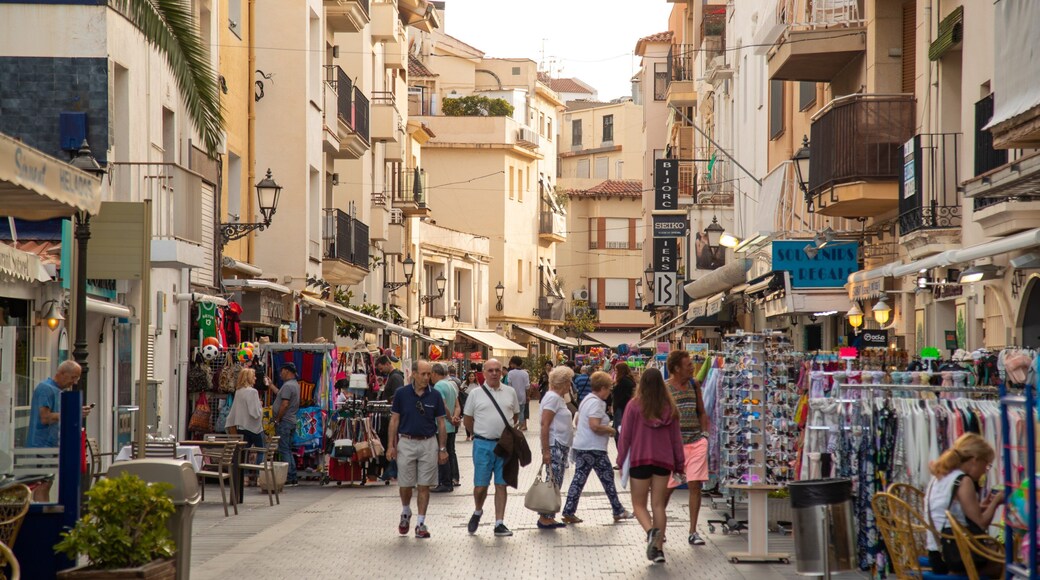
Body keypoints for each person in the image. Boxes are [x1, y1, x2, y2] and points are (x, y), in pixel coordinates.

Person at [617, 368, 685, 564]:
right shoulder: (670, 408)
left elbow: (625, 437)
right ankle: (658, 550)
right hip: (663, 462)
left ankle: (650, 532)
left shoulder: (634, 406)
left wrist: (621, 460)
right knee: (658, 506)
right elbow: (676, 441)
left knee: (638, 505)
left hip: (640, 461)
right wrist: (679, 465)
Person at [924, 433, 1004, 576]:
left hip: (936, 554)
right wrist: (996, 502)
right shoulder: (963, 481)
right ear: (975, 460)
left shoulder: (939, 476)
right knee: (1006, 566)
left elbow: (951, 512)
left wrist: (983, 506)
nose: (984, 472)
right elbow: (981, 524)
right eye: (986, 465)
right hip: (955, 558)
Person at [386, 360, 448, 539]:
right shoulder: (401, 394)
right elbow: (394, 420)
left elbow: (441, 423)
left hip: (429, 443)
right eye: (423, 374)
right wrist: (391, 446)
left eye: (429, 374)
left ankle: (421, 523)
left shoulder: (435, 395)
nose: (427, 378)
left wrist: (442, 448)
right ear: (413, 374)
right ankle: (406, 512)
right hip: (406, 442)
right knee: (405, 484)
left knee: (424, 485)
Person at [563, 371, 633, 524]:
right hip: (594, 448)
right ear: (602, 388)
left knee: (579, 479)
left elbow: (578, 422)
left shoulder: (587, 399)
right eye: (608, 389)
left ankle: (569, 510)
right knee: (607, 479)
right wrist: (611, 430)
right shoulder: (597, 402)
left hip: (582, 445)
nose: (609, 393)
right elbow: (594, 425)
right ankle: (618, 510)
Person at [462, 358, 520, 537]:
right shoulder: (475, 394)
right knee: (481, 486)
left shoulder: (510, 392)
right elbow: (467, 419)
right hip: (482, 444)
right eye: (490, 370)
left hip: (503, 445)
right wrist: (477, 434)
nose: (494, 373)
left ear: (501, 372)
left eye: (497, 370)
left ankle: (499, 522)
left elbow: (516, 416)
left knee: (501, 485)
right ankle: (478, 510)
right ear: (484, 373)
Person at [665, 349, 710, 546]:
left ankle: (693, 531)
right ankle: (659, 526)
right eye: (688, 365)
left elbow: (701, 411)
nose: (692, 368)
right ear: (676, 368)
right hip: (675, 447)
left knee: (695, 485)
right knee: (669, 487)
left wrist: (705, 435)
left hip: (696, 442)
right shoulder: (665, 389)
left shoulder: (694, 384)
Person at [27, 361, 89, 501]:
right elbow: (45, 417)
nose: (74, 382)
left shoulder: (59, 391)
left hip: (50, 445)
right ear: (61, 373)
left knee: (46, 484)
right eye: (73, 377)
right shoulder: (46, 389)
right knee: (41, 485)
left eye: (77, 378)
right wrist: (73, 412)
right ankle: (42, 519)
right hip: (41, 446)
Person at [537, 365, 574, 529]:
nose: (570, 385)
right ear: (563, 383)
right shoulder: (552, 398)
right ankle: (545, 516)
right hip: (554, 444)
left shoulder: (558, 398)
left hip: (560, 444)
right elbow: (545, 424)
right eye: (569, 382)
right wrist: (546, 451)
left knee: (556, 480)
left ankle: (549, 515)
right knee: (552, 480)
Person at [227, 368, 266, 484]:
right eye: (253, 376)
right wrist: (260, 405)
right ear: (249, 378)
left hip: (241, 427)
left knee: (244, 451)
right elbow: (255, 412)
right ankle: (259, 476)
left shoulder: (238, 392)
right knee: (261, 450)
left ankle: (244, 478)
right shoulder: (253, 392)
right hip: (254, 427)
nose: (255, 378)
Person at [431, 363, 461, 491]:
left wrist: (449, 418)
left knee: (442, 453)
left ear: (435, 373)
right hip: (451, 426)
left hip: (442, 426)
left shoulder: (438, 386)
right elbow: (457, 405)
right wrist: (455, 418)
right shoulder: (451, 384)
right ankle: (452, 478)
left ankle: (444, 483)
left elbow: (442, 406)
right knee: (450, 452)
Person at [375, 354, 405, 481]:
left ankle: (393, 471)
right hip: (390, 414)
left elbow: (398, 396)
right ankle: (391, 471)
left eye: (381, 369)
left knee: (392, 442)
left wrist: (388, 401)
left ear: (387, 364)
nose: (381, 372)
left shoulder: (396, 377)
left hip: (392, 415)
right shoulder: (393, 377)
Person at [273, 362, 301, 487]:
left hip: (285, 421)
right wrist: (271, 386)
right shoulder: (293, 385)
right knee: (287, 449)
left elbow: (284, 404)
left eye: (282, 371)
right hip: (290, 421)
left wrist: (278, 419)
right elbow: (281, 395)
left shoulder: (288, 386)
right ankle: (292, 475)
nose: (280, 374)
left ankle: (289, 476)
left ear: (287, 371)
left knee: (284, 449)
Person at [611, 362, 636, 438]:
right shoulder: (629, 380)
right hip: (623, 407)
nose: (615, 372)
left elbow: (620, 394)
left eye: (616, 370)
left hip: (620, 408)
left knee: (619, 430)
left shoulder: (623, 381)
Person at [507, 356, 530, 431]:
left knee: (513, 411)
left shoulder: (510, 373)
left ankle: (514, 425)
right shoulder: (525, 373)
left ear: (513, 364)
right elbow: (527, 386)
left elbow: (509, 385)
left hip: (512, 395)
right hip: (522, 395)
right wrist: (528, 396)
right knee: (521, 411)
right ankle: (521, 425)